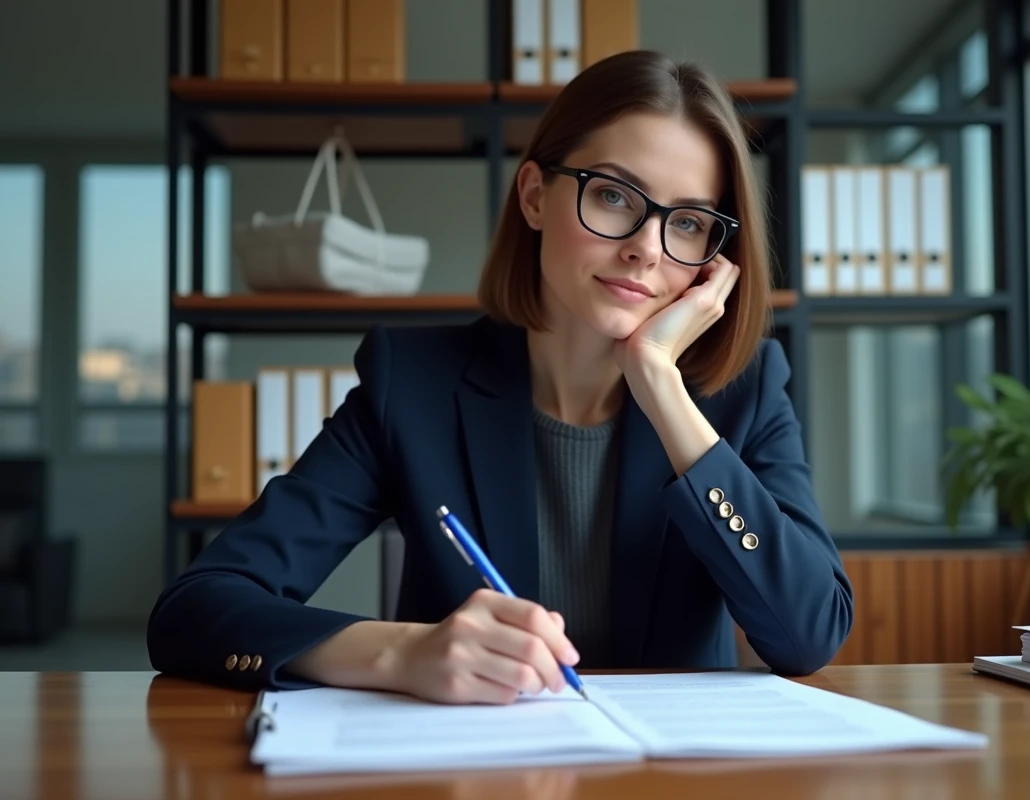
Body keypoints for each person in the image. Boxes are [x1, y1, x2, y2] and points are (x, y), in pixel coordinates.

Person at [146, 49, 853, 705]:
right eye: (613, 196)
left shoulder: (744, 389)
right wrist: (399, 654)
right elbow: (197, 608)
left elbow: (807, 632)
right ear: (535, 196)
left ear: (713, 256)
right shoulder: (414, 384)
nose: (645, 247)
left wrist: (661, 389)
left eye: (689, 222)